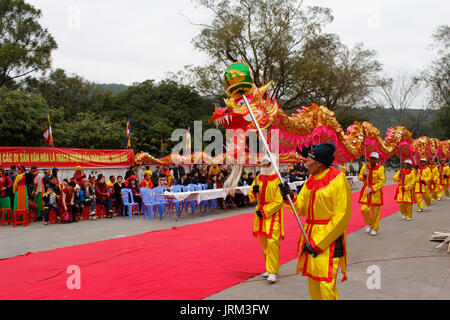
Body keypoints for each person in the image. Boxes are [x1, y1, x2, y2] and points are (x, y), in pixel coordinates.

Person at [279, 142, 351, 300]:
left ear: (319, 162)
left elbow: (342, 216)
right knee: (313, 283)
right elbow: (300, 209)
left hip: (329, 239)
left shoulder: (338, 179)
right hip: (309, 236)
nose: (306, 163)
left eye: (309, 160)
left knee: (326, 285)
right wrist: (289, 196)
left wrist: (318, 243)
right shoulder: (310, 180)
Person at [248, 154, 285, 283]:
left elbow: (279, 201)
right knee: (264, 243)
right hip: (260, 215)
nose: (264, 165)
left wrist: (265, 211)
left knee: (272, 243)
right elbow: (251, 195)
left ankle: (273, 270)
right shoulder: (259, 178)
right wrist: (254, 191)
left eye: (267, 163)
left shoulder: (279, 180)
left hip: (272, 215)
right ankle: (268, 268)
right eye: (263, 163)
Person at [358, 152, 386, 236]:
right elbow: (360, 177)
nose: (372, 160)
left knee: (375, 212)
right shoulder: (365, 166)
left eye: (374, 158)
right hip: (366, 190)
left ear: (377, 160)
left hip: (375, 192)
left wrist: (373, 188)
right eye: (371, 158)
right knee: (364, 209)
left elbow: (382, 181)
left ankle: (375, 228)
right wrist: (364, 175)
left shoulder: (380, 168)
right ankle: (369, 224)